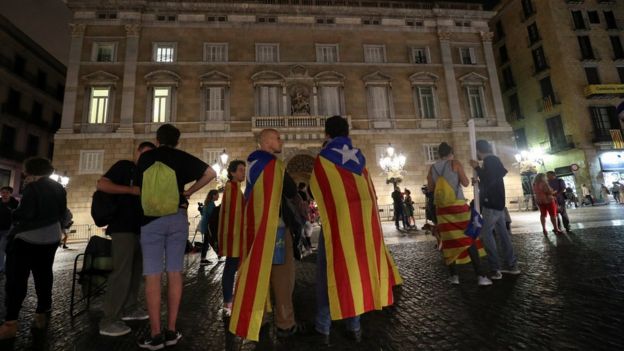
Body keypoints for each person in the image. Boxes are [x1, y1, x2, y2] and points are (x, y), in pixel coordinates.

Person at [309, 116, 403, 345]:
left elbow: (315, 190)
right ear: (347, 132)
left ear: (327, 134)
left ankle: (323, 326)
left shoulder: (324, 158)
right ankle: (355, 326)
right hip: (361, 227)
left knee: (328, 271)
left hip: (337, 225)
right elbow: (369, 191)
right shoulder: (359, 158)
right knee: (355, 271)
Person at [136, 125, 216, 349]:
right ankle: (171, 330)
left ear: (157, 139)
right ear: (177, 141)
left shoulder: (146, 158)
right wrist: (189, 192)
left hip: (150, 220)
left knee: (152, 276)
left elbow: (139, 187)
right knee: (175, 272)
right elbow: (211, 173)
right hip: (177, 216)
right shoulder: (181, 157)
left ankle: (155, 334)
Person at [229, 129, 306, 341]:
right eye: (277, 138)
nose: (281, 140)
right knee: (282, 277)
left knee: (259, 271)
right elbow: (290, 190)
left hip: (257, 228)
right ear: (266, 141)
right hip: (276, 229)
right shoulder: (272, 165)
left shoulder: (253, 164)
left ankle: (258, 318)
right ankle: (285, 323)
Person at [0, 157, 67, 339]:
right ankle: (42, 312)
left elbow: (27, 213)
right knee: (44, 274)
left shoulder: (32, 187)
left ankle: (11, 322)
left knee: (16, 279)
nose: (24, 174)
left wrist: (14, 214)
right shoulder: (59, 188)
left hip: (28, 238)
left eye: (26, 171)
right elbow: (63, 212)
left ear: (31, 171)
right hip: (52, 237)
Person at [97, 141, 155, 337]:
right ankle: (109, 320)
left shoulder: (148, 174)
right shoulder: (124, 166)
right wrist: (131, 190)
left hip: (141, 229)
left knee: (136, 271)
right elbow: (102, 184)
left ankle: (130, 308)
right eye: (145, 154)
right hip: (122, 228)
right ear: (137, 152)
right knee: (121, 273)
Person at [427, 142, 491, 286]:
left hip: (442, 210)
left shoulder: (432, 168)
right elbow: (466, 182)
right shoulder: (455, 163)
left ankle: (454, 276)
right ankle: (480, 275)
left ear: (439, 154)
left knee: (448, 241)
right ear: (451, 153)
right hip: (458, 206)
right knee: (469, 238)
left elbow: (430, 188)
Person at [469, 140, 520, 279]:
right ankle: (512, 265)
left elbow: (490, 179)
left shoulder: (490, 161)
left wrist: (477, 168)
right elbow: (492, 181)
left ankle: (495, 268)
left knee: (487, 235)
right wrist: (479, 181)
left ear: (479, 150)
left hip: (491, 205)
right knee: (503, 235)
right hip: (499, 204)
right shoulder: (494, 160)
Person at [216, 160, 245, 316]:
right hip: (235, 237)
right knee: (230, 269)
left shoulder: (235, 188)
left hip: (235, 237)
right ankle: (228, 302)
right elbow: (234, 215)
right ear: (232, 172)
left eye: (244, 170)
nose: (243, 173)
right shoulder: (232, 188)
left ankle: (230, 300)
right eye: (240, 170)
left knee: (231, 268)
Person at [0, 186, 19, 273]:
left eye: (7, 192)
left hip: (8, 230)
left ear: (10, 194)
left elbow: (17, 217)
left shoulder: (15, 203)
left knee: (2, 248)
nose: (4, 194)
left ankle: (2, 267)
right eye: (3, 192)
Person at [199, 189, 219, 266]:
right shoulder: (211, 204)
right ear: (213, 195)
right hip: (208, 226)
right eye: (217, 195)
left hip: (206, 225)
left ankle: (203, 259)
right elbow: (212, 215)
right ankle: (203, 259)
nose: (218, 196)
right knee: (209, 241)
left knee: (207, 242)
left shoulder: (208, 203)